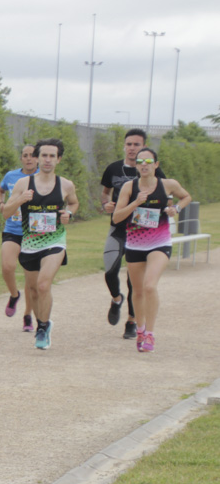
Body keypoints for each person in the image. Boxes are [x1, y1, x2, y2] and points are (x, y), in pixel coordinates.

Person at [1, 138, 79, 350]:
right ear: (37, 158)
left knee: (44, 284)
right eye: (43, 155)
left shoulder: (66, 184)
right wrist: (19, 200)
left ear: (58, 159)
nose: (47, 160)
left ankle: (43, 327)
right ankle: (41, 322)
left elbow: (73, 201)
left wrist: (69, 213)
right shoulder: (23, 184)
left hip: (55, 241)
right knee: (34, 290)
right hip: (30, 243)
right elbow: (6, 212)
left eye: (52, 156)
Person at [111, 147, 191, 352]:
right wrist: (135, 204)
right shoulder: (130, 187)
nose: (144, 166)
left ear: (156, 165)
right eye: (140, 162)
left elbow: (186, 197)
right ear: (136, 166)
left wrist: (177, 209)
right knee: (137, 291)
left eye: (148, 162)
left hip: (159, 242)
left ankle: (151, 335)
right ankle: (140, 329)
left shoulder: (168, 185)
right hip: (135, 244)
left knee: (149, 286)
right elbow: (117, 217)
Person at [99, 129, 164, 340]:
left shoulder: (154, 171)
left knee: (134, 280)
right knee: (110, 269)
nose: (132, 148)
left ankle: (131, 321)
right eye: (129, 144)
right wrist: (105, 204)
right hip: (118, 227)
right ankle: (116, 298)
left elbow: (165, 196)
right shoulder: (113, 168)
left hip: (141, 232)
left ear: (144, 147)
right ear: (124, 146)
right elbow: (105, 192)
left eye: (137, 145)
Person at [0, 144, 38, 332]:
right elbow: (0, 190)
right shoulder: (11, 176)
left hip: (33, 233)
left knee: (31, 281)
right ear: (21, 158)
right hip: (12, 228)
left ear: (37, 158)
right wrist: (2, 203)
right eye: (25, 155)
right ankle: (14, 295)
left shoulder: (43, 179)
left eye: (32, 155)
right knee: (7, 266)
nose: (29, 158)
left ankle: (28, 315)